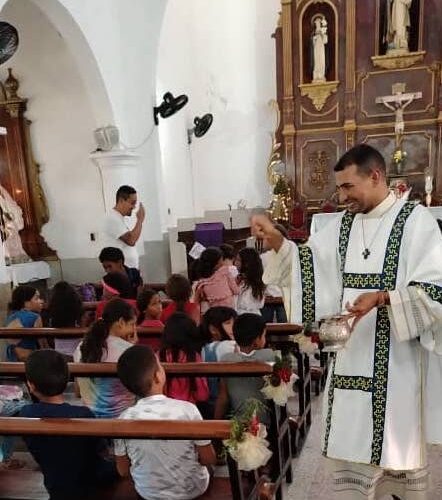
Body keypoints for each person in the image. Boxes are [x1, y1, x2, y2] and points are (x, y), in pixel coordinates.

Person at [251, 143, 442, 499]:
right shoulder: (341, 227)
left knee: (394, 452)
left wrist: (384, 297)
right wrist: (278, 240)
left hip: (397, 363)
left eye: (348, 187)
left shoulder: (416, 223)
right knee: (349, 457)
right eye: (339, 188)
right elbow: (309, 266)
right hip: (350, 354)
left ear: (375, 176)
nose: (341, 197)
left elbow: (436, 289)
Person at [115, 344, 216, 500]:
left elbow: (123, 471)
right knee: (209, 471)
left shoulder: (122, 419)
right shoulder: (188, 410)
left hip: (148, 493)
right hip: (191, 491)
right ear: (158, 376)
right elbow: (209, 458)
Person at [20, 350, 116, 500]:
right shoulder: (83, 414)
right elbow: (99, 451)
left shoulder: (26, 415)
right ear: (67, 381)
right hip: (89, 485)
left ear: (31, 385)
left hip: (55, 485)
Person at [73, 298, 137, 418]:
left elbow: (77, 392)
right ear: (121, 322)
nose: (134, 330)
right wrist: (133, 348)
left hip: (89, 418)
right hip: (122, 419)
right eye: (132, 324)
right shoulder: (128, 351)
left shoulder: (82, 347)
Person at [214, 313, 275, 425]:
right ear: (257, 340)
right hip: (265, 421)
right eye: (264, 336)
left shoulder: (226, 359)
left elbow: (223, 397)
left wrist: (215, 423)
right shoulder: (269, 356)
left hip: (237, 422)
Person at [158, 312, 209, 405]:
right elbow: (202, 395)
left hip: (163, 408)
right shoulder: (193, 356)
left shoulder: (158, 356)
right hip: (189, 410)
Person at [103, 185, 145, 269]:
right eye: (132, 203)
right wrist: (140, 220)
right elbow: (131, 240)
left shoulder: (119, 218)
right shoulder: (112, 218)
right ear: (121, 200)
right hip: (121, 272)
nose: (134, 207)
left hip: (128, 270)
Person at [5, 285, 46, 361]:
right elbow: (43, 346)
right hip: (30, 361)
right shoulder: (34, 317)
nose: (41, 301)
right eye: (36, 298)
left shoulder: (10, 317)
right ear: (26, 302)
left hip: (11, 362)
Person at [194, 247, 239, 314]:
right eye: (221, 260)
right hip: (229, 310)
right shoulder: (224, 272)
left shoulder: (201, 283)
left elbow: (198, 302)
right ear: (217, 263)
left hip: (214, 313)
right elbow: (236, 291)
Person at [47, 281, 83, 360]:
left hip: (58, 355)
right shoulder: (77, 314)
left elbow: (50, 341)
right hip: (77, 355)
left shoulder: (52, 316)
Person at [260, 224, 288, 323]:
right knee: (285, 323)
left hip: (269, 297)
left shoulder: (263, 258)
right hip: (285, 296)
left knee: (265, 324)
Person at [236, 247, 266, 315]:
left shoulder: (256, 280)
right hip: (241, 314)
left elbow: (246, 303)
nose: (235, 263)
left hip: (250, 316)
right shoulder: (239, 278)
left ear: (246, 263)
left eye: (238, 260)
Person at [136, 286, 163, 351]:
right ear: (144, 309)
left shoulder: (137, 326)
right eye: (154, 304)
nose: (159, 307)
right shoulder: (161, 326)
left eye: (159, 302)